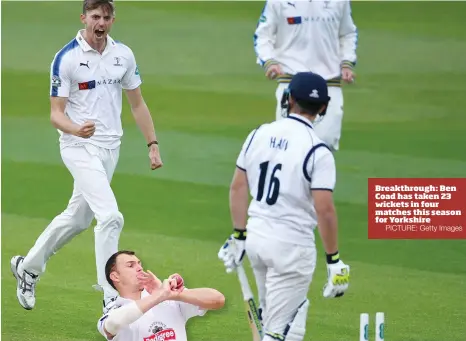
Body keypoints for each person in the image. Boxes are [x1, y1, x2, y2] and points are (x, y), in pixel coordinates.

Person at [10, 0, 163, 313]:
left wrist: (153, 143)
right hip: (77, 146)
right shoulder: (66, 58)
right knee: (110, 216)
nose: (101, 22)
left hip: (110, 149)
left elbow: (137, 104)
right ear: (84, 18)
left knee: (79, 217)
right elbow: (56, 114)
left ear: (112, 20)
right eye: (95, 16)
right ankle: (111, 298)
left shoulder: (123, 55)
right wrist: (76, 129)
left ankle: (28, 268)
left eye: (106, 17)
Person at [218, 72, 350, 341]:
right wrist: (333, 260)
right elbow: (325, 210)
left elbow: (238, 187)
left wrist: (239, 234)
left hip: (256, 239)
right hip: (292, 249)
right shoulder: (318, 150)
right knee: (277, 330)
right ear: (323, 107)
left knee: (284, 317)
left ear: (288, 99)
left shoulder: (259, 134)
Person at [253, 0, 358, 151]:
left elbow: (348, 34)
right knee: (289, 145)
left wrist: (347, 62)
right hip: (291, 81)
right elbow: (263, 34)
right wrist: (269, 61)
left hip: (328, 83)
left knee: (324, 146)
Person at [97, 250, 225, 341]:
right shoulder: (114, 310)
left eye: (139, 264)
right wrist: (159, 295)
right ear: (115, 276)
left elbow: (218, 299)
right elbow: (113, 324)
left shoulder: (169, 300)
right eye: (131, 265)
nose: (139, 268)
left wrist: (174, 295)